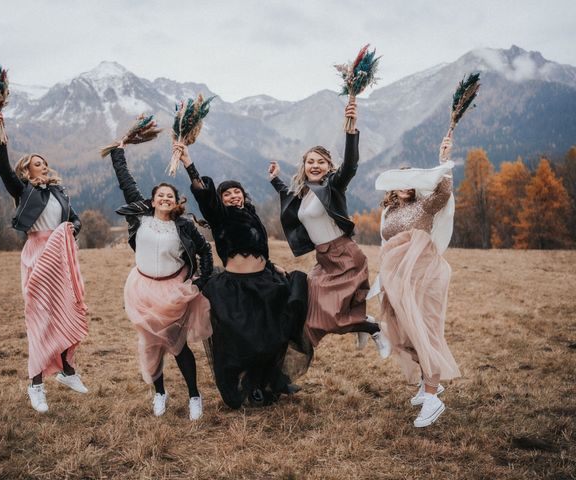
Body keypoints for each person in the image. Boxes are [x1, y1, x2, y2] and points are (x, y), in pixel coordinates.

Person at [173, 142, 312, 409]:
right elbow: (204, 195)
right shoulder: (220, 217)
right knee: (246, 342)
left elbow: (260, 248)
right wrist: (189, 162)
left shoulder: (252, 215)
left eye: (237, 192)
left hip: (264, 282)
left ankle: (270, 381)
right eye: (228, 194)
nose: (234, 196)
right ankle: (249, 386)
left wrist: (272, 267)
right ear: (222, 200)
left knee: (274, 334)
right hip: (235, 288)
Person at [268, 100, 390, 356]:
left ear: (328, 167)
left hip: (345, 256)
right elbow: (286, 193)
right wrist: (274, 178)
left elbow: (351, 166)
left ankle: (371, 326)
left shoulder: (332, 186)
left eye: (320, 162)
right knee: (313, 313)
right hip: (324, 260)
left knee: (330, 316)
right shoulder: (303, 192)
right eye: (310, 161)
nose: (314, 166)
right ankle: (357, 323)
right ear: (304, 166)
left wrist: (351, 130)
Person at [0, 112, 88, 414]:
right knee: (41, 321)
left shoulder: (59, 191)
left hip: (62, 256)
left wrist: (74, 226)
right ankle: (36, 385)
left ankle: (67, 371)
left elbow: (73, 219)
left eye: (44, 163)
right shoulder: (24, 191)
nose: (43, 166)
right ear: (27, 171)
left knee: (70, 310)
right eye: (36, 163)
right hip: (38, 256)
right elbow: (4, 169)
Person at [109, 142, 213, 420]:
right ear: (152, 200)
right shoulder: (139, 218)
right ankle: (159, 393)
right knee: (150, 344)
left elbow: (205, 252)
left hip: (173, 291)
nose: (165, 198)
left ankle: (194, 395)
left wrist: (200, 282)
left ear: (176, 201)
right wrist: (118, 153)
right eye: (160, 195)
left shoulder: (183, 225)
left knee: (177, 344)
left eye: (170, 195)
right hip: (142, 289)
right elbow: (125, 180)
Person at [372, 134, 461, 427]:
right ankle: (427, 384)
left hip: (424, 277)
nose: (405, 185)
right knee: (405, 333)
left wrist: (444, 160)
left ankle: (433, 397)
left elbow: (445, 192)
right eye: (400, 180)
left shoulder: (425, 206)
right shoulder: (389, 211)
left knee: (425, 332)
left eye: (411, 180)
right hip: (397, 282)